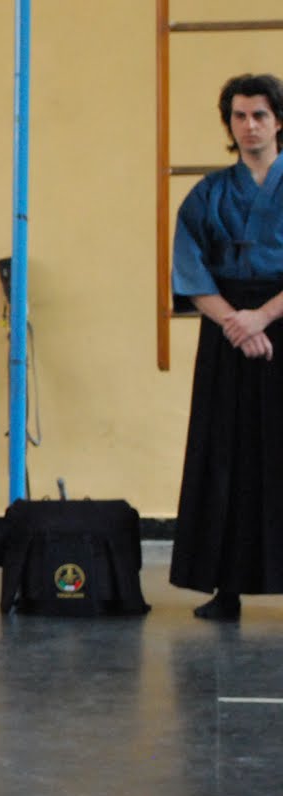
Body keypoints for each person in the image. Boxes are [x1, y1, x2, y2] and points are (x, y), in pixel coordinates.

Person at [170, 73, 283, 621]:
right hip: (226, 330)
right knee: (226, 454)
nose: (249, 125)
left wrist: (262, 315)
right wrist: (237, 324)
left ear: (278, 120)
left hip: (276, 317)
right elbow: (190, 271)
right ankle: (227, 587)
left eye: (259, 114)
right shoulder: (208, 193)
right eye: (239, 116)